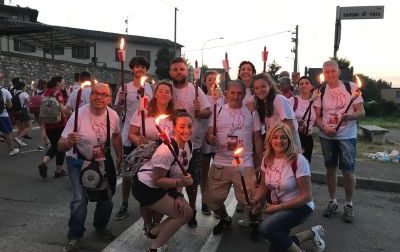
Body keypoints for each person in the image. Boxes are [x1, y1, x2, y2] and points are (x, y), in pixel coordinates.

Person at [58, 83, 122, 252]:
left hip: (102, 161)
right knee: (80, 199)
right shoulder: (78, 115)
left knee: (106, 197)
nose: (99, 97)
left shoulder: (113, 116)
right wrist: (68, 142)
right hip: (77, 161)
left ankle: (100, 226)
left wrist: (119, 156)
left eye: (104, 94)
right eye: (95, 93)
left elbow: (116, 136)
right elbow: (60, 145)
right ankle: (75, 235)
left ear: (109, 98)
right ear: (90, 95)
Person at [250, 123, 326, 252]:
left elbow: (306, 196)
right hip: (279, 207)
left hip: (300, 207)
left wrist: (277, 208)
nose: (279, 141)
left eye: (283, 138)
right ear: (269, 140)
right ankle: (311, 233)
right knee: (279, 244)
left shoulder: (299, 161)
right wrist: (255, 200)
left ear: (289, 140)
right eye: (275, 137)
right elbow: (263, 186)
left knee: (266, 228)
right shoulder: (267, 159)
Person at [206, 80, 263, 238]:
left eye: (239, 93)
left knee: (251, 199)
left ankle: (254, 222)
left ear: (244, 95)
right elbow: (209, 134)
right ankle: (224, 219)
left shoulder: (251, 112)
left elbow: (257, 138)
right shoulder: (218, 110)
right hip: (220, 162)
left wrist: (260, 161)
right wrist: (209, 138)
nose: (236, 96)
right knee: (212, 199)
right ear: (226, 93)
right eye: (232, 92)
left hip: (245, 163)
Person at [132, 111, 194, 252]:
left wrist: (177, 195)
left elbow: (178, 173)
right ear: (173, 127)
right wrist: (179, 184)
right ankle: (153, 248)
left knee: (187, 213)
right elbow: (158, 180)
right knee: (183, 214)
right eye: (182, 126)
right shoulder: (166, 150)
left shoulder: (189, 144)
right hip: (146, 187)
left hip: (163, 187)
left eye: (189, 126)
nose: (186, 130)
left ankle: (152, 233)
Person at [314, 60, 365, 223]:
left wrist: (350, 116)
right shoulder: (321, 90)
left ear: (339, 72)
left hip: (346, 135)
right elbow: (317, 117)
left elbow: (361, 112)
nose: (330, 74)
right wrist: (323, 128)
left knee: (348, 170)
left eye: (333, 71)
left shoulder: (351, 87)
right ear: (324, 73)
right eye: (327, 72)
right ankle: (332, 201)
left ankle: (349, 204)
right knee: (330, 168)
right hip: (327, 136)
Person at [128, 80, 174, 235]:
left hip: (165, 160)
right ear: (155, 93)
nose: (163, 94)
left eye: (167, 91)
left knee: (162, 192)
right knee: (146, 192)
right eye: (160, 91)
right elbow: (132, 133)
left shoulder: (175, 115)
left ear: (171, 96)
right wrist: (137, 140)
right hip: (145, 158)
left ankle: (157, 222)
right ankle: (147, 223)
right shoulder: (143, 111)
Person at [169, 57, 211, 227]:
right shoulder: (167, 89)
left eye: (182, 69)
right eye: (175, 69)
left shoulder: (195, 90)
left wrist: (199, 112)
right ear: (170, 72)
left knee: (192, 181)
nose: (179, 72)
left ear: (187, 71)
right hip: (172, 144)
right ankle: (174, 210)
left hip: (193, 144)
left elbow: (208, 112)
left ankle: (192, 210)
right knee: (172, 180)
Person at [114, 56, 153, 220]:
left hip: (147, 136)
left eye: (143, 67)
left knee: (146, 172)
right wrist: (120, 101)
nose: (140, 69)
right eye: (137, 67)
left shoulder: (151, 88)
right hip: (128, 135)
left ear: (146, 70)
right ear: (132, 69)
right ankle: (124, 203)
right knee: (127, 173)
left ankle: (147, 203)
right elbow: (115, 110)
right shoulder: (125, 87)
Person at [253, 73, 302, 153]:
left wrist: (289, 149)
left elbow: (290, 126)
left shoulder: (278, 99)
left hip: (287, 146)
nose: (260, 90)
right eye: (256, 88)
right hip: (276, 145)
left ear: (270, 86)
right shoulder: (264, 104)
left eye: (263, 86)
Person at [200, 71, 225, 215]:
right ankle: (204, 200)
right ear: (204, 82)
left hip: (218, 136)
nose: (211, 82)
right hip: (205, 135)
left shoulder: (222, 97)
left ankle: (216, 204)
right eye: (209, 79)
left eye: (214, 79)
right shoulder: (202, 97)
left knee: (218, 171)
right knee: (204, 170)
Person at [38, 76, 68, 178]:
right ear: (57, 83)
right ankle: (58, 171)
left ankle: (44, 163)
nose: (64, 84)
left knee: (54, 146)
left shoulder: (46, 93)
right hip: (59, 124)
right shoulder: (57, 93)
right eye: (63, 82)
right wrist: (69, 110)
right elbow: (62, 108)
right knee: (61, 147)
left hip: (48, 124)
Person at [289, 76, 316, 163]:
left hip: (308, 138)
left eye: (307, 83)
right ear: (298, 87)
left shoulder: (316, 101)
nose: (304, 85)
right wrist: (296, 122)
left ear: (312, 86)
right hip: (294, 137)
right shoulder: (292, 100)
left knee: (305, 166)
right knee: (293, 164)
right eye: (301, 83)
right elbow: (283, 118)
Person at [0, 71, 20, 156]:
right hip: (3, 115)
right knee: (7, 132)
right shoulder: (5, 91)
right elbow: (9, 106)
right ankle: (12, 150)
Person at [11, 78, 32, 147]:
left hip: (16, 111)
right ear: (23, 87)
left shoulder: (15, 93)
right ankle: (18, 138)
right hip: (23, 111)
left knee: (20, 128)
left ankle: (19, 141)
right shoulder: (24, 94)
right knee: (29, 126)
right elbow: (29, 102)